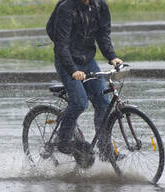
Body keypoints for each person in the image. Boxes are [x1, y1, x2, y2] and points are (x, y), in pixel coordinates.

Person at [52, 0, 123, 154]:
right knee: (80, 103)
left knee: (104, 102)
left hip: (88, 60)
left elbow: (103, 34)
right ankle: (62, 140)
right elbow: (61, 45)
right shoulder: (66, 8)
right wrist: (72, 70)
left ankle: (106, 151)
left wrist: (112, 56)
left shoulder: (100, 6)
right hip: (67, 62)